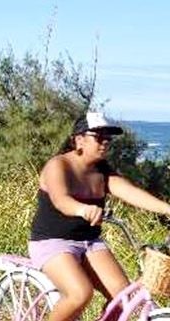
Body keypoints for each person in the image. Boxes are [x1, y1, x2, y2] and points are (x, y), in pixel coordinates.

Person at [29, 111, 170, 321]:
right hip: (53, 242)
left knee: (125, 298)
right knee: (80, 294)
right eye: (98, 137)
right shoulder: (58, 166)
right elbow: (61, 200)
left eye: (108, 138)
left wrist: (167, 209)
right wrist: (82, 209)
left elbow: (130, 193)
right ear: (79, 140)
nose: (105, 142)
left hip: (89, 243)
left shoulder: (101, 171)